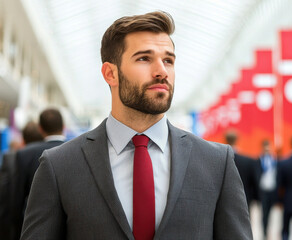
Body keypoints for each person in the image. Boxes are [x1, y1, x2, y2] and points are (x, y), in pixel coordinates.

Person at [21, 11, 252, 240]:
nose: (162, 71)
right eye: (144, 58)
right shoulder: (59, 166)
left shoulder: (216, 164)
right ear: (110, 73)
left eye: (168, 60)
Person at [12, 109, 65, 239]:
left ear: (40, 129)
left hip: (33, 229)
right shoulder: (79, 152)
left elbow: (16, 200)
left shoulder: (25, 155)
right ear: (63, 127)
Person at [0, 121, 43, 240]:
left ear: (23, 139)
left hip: (18, 224)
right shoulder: (51, 156)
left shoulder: (10, 158)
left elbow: (5, 196)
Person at [225, 130, 257, 211]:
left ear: (225, 140)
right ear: (237, 140)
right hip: (244, 198)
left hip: (224, 199)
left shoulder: (217, 160)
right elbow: (253, 182)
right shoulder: (248, 161)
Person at [256, 139, 277, 239]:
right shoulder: (259, 160)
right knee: (264, 212)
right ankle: (264, 232)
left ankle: (268, 229)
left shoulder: (274, 159)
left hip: (272, 190)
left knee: (270, 212)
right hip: (263, 190)